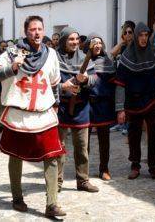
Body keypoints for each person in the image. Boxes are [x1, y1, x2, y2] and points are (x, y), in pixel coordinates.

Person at [0, 16, 66, 218]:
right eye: (33, 29)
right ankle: (17, 197)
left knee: (52, 157)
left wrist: (56, 105)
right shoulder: (12, 53)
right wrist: (13, 67)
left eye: (40, 28)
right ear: (26, 31)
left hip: (44, 114)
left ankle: (52, 204)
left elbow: (54, 84)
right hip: (18, 115)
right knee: (16, 156)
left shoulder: (51, 54)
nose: (37, 33)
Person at [115, 22, 155, 180]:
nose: (144, 38)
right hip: (132, 102)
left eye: (146, 35)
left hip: (151, 100)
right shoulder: (127, 56)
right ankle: (135, 165)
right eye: (141, 35)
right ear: (135, 36)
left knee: (154, 135)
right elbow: (120, 85)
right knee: (134, 135)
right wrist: (120, 109)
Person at [56, 27, 99, 193]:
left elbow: (95, 79)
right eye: (70, 39)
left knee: (82, 147)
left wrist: (87, 79)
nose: (74, 42)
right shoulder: (54, 58)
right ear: (63, 40)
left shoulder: (84, 58)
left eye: (76, 39)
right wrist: (63, 87)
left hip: (81, 108)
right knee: (59, 148)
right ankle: (57, 182)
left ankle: (83, 180)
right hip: (61, 107)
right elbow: (48, 81)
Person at [85, 34, 116, 180]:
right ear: (89, 46)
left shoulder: (107, 62)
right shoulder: (83, 61)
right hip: (86, 105)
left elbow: (113, 84)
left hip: (103, 105)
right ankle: (83, 170)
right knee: (84, 141)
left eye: (100, 43)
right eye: (94, 43)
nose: (97, 45)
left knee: (104, 140)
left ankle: (104, 168)